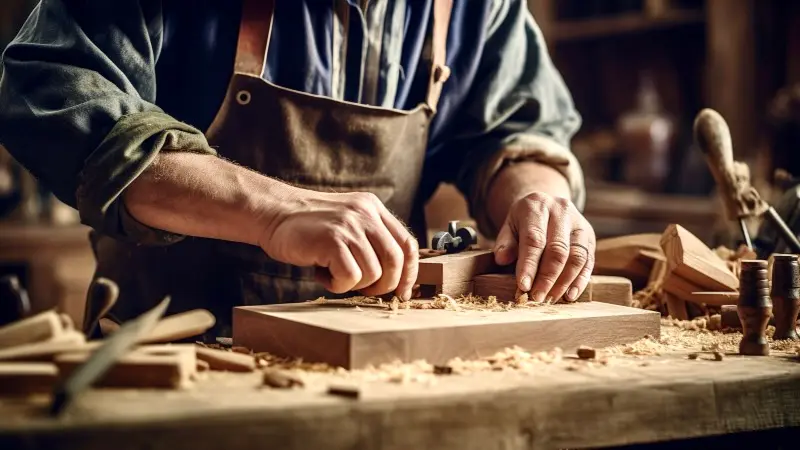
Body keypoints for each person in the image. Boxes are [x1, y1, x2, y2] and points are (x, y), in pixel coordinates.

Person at [0, 0, 594, 332]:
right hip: (171, 355)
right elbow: (50, 91)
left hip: (386, 364)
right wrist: (274, 210)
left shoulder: (472, 9)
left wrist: (536, 196)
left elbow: (516, 127)